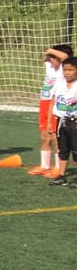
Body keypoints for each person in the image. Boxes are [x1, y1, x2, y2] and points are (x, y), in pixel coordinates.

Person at [28, 44, 71, 175]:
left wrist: (52, 50)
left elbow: (65, 57)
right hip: (44, 103)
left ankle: (58, 168)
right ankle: (44, 166)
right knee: (44, 136)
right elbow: (44, 59)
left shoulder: (64, 69)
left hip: (55, 104)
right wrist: (51, 54)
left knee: (55, 138)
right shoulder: (50, 67)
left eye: (53, 57)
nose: (50, 59)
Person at [46, 55, 77, 185]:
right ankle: (61, 175)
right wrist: (49, 121)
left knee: (76, 150)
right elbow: (53, 102)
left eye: (70, 70)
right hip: (61, 122)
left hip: (75, 122)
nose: (67, 73)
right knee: (63, 149)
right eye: (65, 70)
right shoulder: (59, 83)